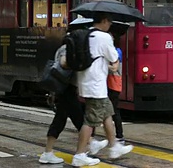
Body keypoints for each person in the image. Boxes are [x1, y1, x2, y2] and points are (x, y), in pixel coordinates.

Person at [71, 13, 133, 166]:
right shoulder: (104, 37)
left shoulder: (88, 34)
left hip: (87, 83)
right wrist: (114, 62)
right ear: (104, 20)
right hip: (96, 86)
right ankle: (79, 155)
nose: (110, 25)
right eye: (109, 21)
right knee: (90, 120)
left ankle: (114, 147)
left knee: (107, 113)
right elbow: (113, 57)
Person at [39, 18, 104, 164]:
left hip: (67, 89)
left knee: (60, 120)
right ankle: (87, 146)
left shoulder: (72, 44)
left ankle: (48, 152)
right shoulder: (68, 46)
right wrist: (79, 63)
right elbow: (63, 62)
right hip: (66, 88)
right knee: (79, 119)